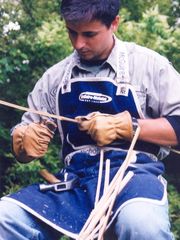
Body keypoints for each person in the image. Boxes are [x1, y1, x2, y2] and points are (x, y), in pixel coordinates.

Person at [0, 0, 179, 239]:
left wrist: (127, 127)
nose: (78, 43)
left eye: (89, 34)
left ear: (114, 23)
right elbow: (22, 146)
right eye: (71, 32)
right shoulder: (54, 78)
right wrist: (22, 142)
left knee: (141, 224)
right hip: (75, 185)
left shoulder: (149, 66)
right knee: (5, 216)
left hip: (134, 179)